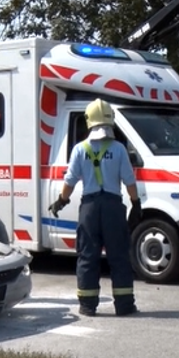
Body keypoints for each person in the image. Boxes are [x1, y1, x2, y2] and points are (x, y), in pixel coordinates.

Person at [48, 98, 142, 317]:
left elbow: (70, 181)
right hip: (113, 208)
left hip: (89, 209)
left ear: (89, 121)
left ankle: (88, 305)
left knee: (87, 256)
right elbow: (129, 181)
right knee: (119, 256)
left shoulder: (80, 149)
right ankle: (124, 305)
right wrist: (136, 204)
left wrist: (61, 201)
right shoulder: (119, 149)